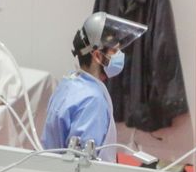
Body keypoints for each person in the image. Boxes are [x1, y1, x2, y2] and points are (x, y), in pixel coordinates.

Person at [40, 12, 147, 152]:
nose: (120, 55)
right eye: (114, 50)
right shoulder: (92, 100)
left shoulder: (69, 83)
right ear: (97, 55)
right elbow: (84, 164)